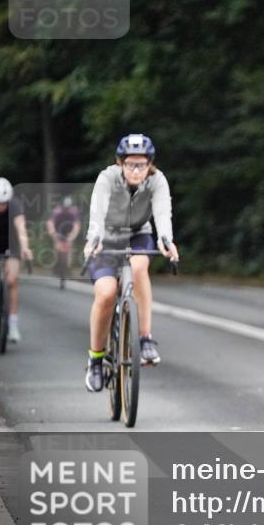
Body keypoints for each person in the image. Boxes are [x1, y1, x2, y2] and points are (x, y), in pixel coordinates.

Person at [83, 134, 179, 393]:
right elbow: (97, 211)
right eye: (130, 164)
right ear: (119, 163)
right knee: (105, 293)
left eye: (141, 164)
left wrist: (166, 240)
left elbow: (162, 213)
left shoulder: (157, 181)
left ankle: (145, 339)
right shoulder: (107, 178)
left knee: (138, 267)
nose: (136, 170)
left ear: (150, 164)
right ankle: (95, 360)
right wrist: (95, 238)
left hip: (138, 235)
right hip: (106, 238)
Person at [0, 178, 33, 342]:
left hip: (11, 243)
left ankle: (13, 325)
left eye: (3, 203)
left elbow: (21, 228)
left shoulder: (15, 205)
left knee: (11, 281)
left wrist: (25, 248)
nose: (0, 206)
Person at [46, 195, 82, 280]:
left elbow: (77, 225)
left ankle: (68, 267)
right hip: (58, 230)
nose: (66, 210)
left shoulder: (74, 211)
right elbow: (50, 223)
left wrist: (72, 235)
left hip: (68, 231)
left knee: (69, 247)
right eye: (64, 208)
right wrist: (53, 234)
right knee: (57, 246)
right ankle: (56, 265)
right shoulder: (57, 211)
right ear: (62, 206)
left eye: (68, 208)